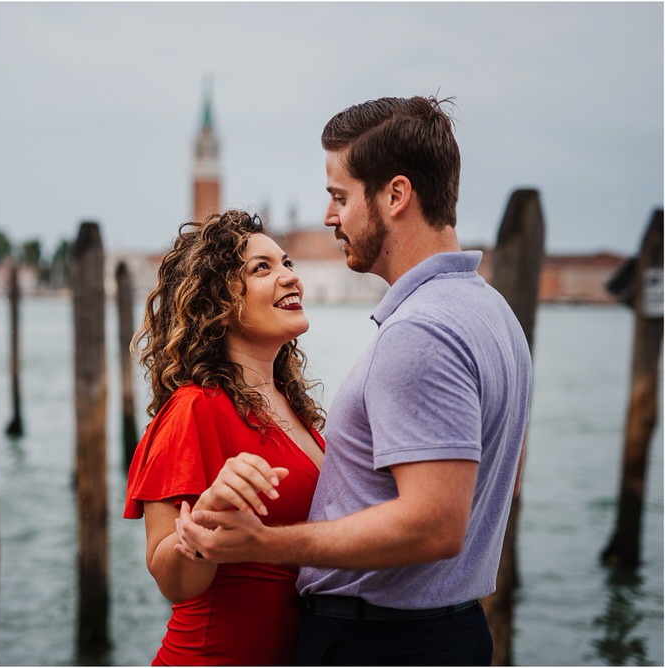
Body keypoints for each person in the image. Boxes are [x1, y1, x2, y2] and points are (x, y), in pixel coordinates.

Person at [175, 96, 532, 666]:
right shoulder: (496, 315)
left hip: (378, 642)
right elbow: (501, 482)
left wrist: (265, 544)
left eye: (339, 196)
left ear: (395, 196)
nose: (327, 216)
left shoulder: (421, 331)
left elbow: (435, 525)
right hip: (448, 633)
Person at [124, 209, 327, 665]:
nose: (290, 277)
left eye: (287, 263)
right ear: (218, 302)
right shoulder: (195, 407)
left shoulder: (295, 409)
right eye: (263, 268)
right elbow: (171, 580)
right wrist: (209, 515)